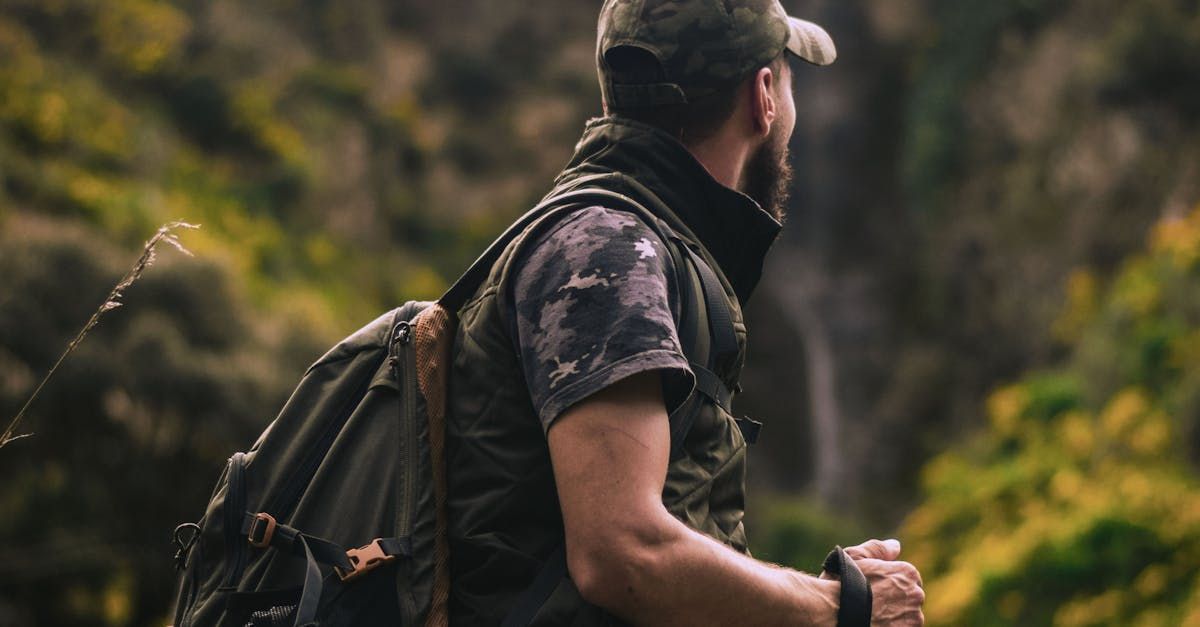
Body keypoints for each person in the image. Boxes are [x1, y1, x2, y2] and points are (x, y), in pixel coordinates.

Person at [444, 0, 926, 624]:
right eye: (786, 77)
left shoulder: (628, 241)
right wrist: (840, 607)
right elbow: (621, 554)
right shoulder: (610, 249)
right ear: (764, 97)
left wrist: (809, 594)